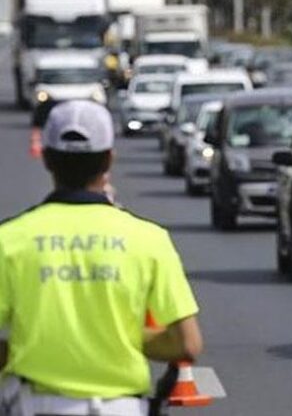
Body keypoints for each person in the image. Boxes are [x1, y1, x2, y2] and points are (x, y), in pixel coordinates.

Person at [0, 100, 203, 415]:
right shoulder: (148, 239)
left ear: (47, 159)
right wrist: (120, 335)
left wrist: (30, 346)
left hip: (36, 404)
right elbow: (186, 344)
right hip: (121, 407)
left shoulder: (9, 239)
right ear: (109, 159)